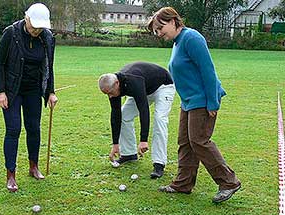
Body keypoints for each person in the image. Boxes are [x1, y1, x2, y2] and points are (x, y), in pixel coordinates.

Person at [148, 7, 241, 203]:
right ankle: (183, 184)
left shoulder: (192, 38)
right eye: (155, 31)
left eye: (160, 27)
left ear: (173, 21)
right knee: (185, 142)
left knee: (199, 141)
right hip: (189, 101)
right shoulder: (177, 42)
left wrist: (212, 102)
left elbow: (208, 70)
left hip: (203, 100)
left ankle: (228, 182)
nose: (158, 33)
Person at [0, 3, 58, 192]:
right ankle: (11, 175)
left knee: (34, 128)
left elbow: (48, 67)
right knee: (13, 130)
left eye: (40, 28)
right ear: (26, 18)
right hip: (12, 90)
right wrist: (0, 92)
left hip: (33, 90)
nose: (36, 31)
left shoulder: (47, 38)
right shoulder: (11, 33)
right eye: (33, 27)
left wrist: (50, 92)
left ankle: (33, 166)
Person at [98, 62, 175, 179]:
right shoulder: (112, 89)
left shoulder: (133, 81)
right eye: (106, 94)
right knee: (124, 115)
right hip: (144, 89)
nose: (110, 97)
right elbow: (116, 114)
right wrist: (115, 144)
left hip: (163, 86)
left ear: (117, 83)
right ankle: (129, 154)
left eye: (110, 93)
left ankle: (159, 163)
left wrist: (143, 140)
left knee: (160, 119)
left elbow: (143, 109)